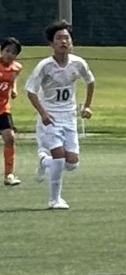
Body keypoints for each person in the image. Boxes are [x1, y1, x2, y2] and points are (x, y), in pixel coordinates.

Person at [25, 20, 95, 210]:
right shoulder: (45, 66)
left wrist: (87, 106)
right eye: (59, 38)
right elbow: (30, 91)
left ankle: (43, 161)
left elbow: (90, 81)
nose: (64, 41)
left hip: (69, 116)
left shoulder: (78, 63)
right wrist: (43, 113)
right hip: (50, 117)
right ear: (51, 43)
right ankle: (54, 199)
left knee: (72, 163)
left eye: (67, 38)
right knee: (59, 156)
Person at [0, 37, 23, 186]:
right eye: (7, 51)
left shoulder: (16, 67)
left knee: (10, 138)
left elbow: (13, 78)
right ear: (2, 50)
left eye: (13, 52)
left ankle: (9, 174)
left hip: (3, 109)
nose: (10, 54)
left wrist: (14, 89)